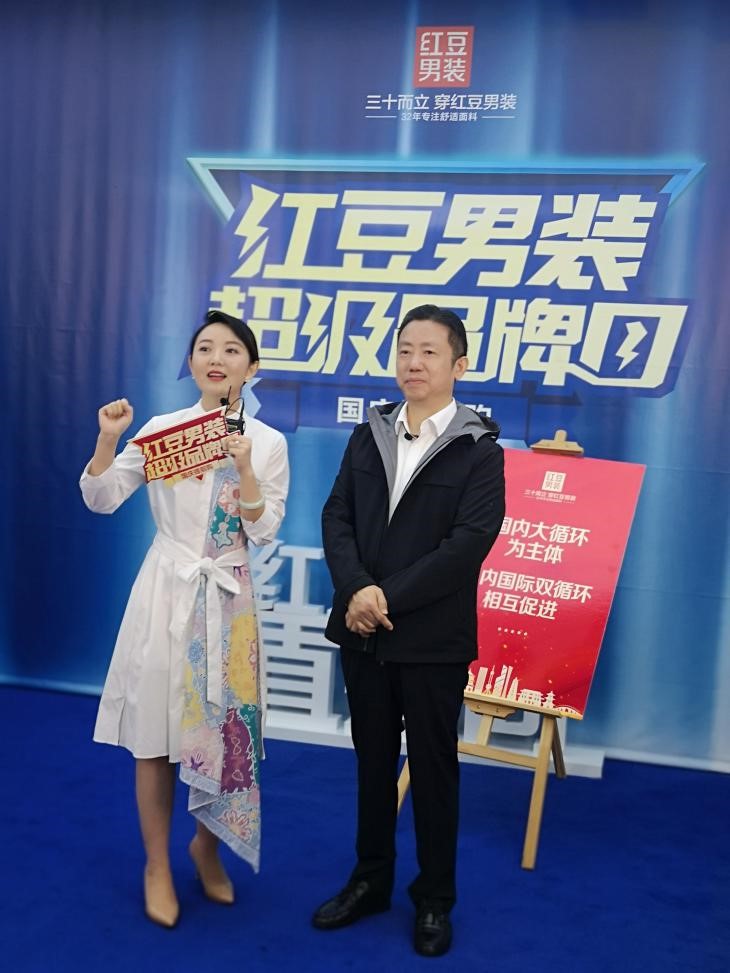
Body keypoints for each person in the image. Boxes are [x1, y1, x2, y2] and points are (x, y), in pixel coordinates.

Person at [80, 309, 289, 928]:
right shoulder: (164, 430)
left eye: (231, 350)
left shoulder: (268, 442)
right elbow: (102, 498)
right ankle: (156, 865)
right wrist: (108, 440)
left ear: (252, 367)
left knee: (226, 737)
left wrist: (245, 467)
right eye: (205, 348)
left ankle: (206, 846)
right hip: (165, 593)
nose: (216, 358)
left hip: (227, 601)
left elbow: (264, 529)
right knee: (155, 736)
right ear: (193, 362)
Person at [312, 305, 505, 957]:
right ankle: (370, 881)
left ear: (459, 364)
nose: (413, 363)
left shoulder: (480, 450)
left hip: (431, 640)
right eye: (404, 350)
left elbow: (467, 545)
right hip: (362, 632)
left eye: (428, 352)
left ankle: (434, 898)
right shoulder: (369, 434)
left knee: (432, 767)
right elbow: (336, 516)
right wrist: (355, 589)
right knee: (371, 763)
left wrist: (383, 596)